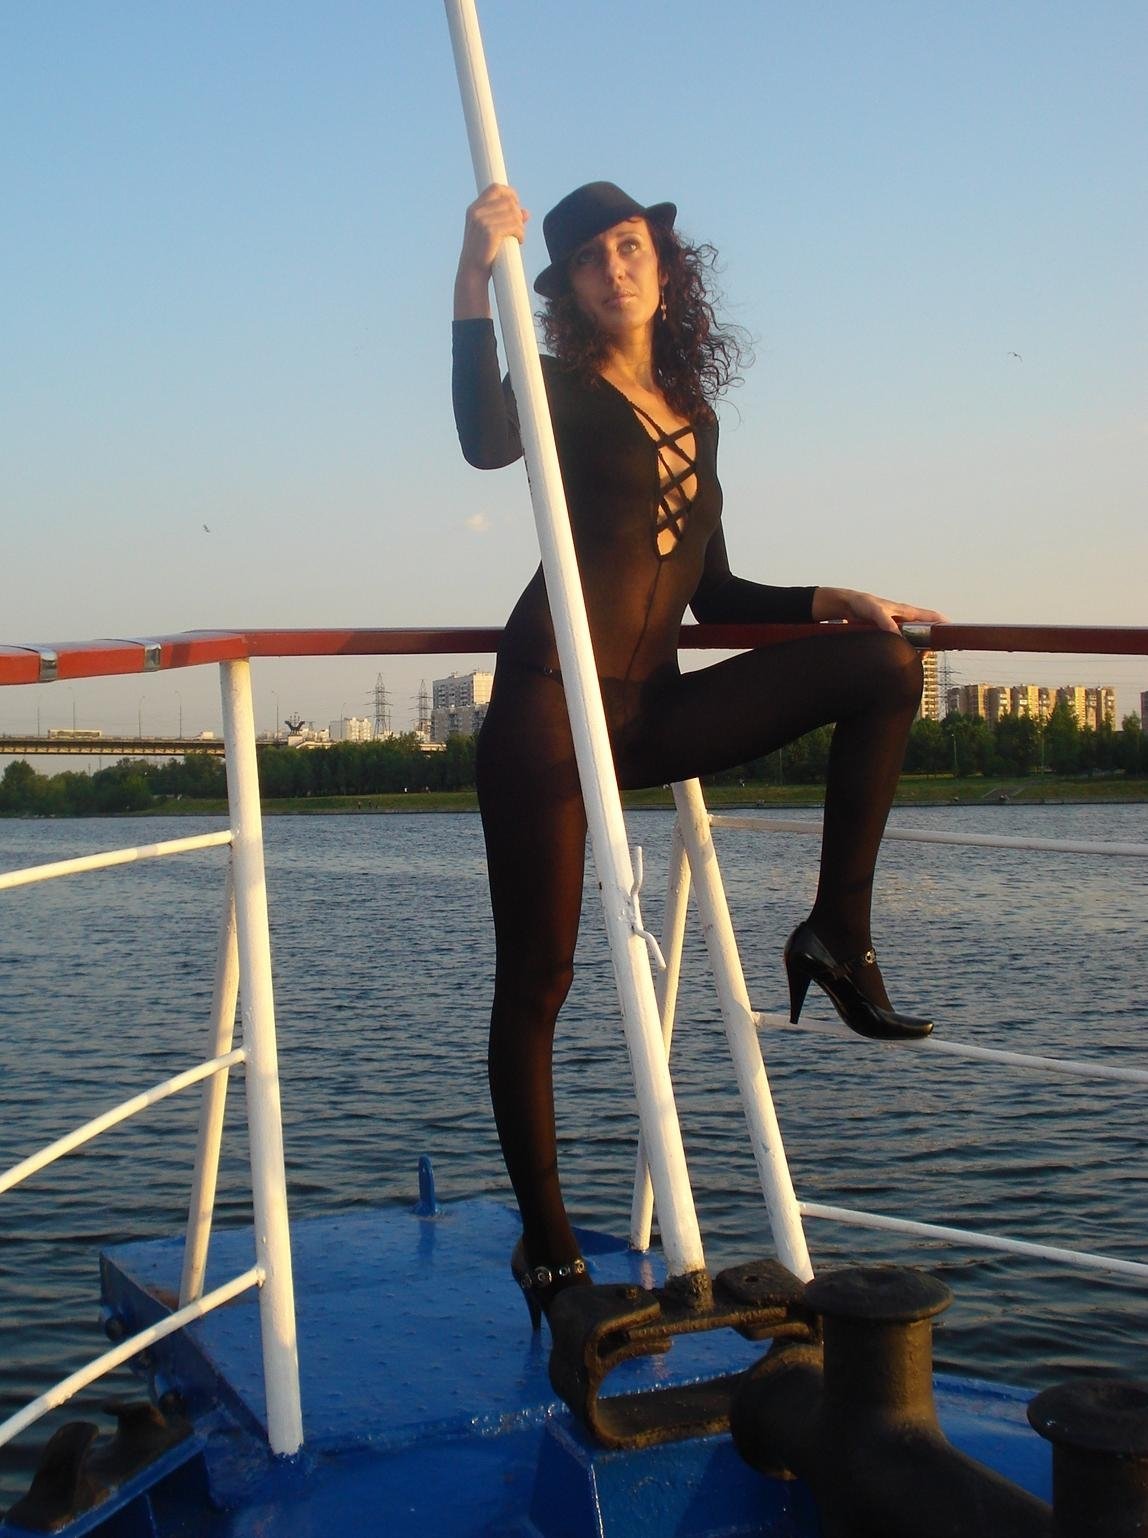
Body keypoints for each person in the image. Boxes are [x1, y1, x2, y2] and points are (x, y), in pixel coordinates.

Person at [452, 180, 945, 1328]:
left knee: (882, 666)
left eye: (630, 247)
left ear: (664, 267)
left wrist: (820, 598)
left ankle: (836, 932)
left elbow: (710, 589)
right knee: (539, 977)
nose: (614, 267)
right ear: (566, 291)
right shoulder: (562, 390)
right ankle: (549, 1246)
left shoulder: (693, 410)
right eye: (589, 258)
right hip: (544, 708)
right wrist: (471, 268)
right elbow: (481, 438)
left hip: (647, 711)